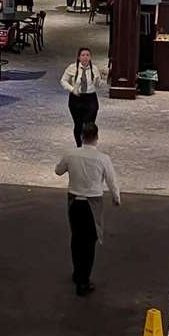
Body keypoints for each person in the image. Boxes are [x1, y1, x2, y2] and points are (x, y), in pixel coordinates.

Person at [55, 123, 120, 296]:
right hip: (93, 204)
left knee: (76, 239)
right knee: (89, 243)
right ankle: (84, 282)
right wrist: (116, 197)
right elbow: (111, 181)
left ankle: (77, 274)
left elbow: (58, 171)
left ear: (82, 136)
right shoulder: (103, 158)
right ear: (97, 138)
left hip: (74, 202)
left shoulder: (71, 154)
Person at [60, 46, 106, 148]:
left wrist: (104, 78)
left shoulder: (94, 69)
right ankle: (79, 146)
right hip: (76, 98)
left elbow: (99, 84)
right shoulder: (72, 68)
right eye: (83, 55)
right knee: (79, 124)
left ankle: (89, 145)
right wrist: (72, 89)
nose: (85, 57)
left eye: (87, 55)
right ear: (78, 57)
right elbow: (63, 81)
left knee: (89, 124)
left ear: (90, 57)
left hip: (91, 99)